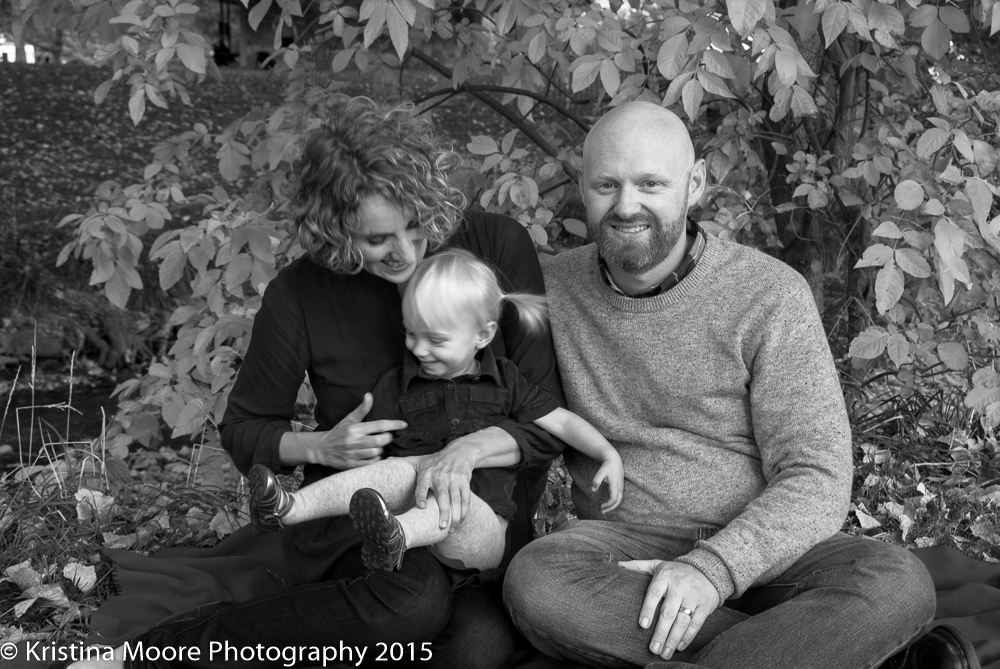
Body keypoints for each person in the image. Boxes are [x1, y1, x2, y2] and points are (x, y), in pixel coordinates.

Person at [71, 97, 565, 669]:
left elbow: (548, 420)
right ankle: (156, 653)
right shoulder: (299, 293)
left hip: (478, 521)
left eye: (415, 225)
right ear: (336, 229)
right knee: (414, 602)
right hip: (359, 517)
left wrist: (465, 453)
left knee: (478, 651)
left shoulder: (496, 247)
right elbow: (245, 428)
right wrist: (318, 446)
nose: (406, 252)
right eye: (377, 240)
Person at [502, 101, 943, 669]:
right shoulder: (550, 292)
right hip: (624, 555)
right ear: (583, 186)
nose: (626, 205)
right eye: (606, 185)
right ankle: (814, 651)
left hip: (768, 547)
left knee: (896, 581)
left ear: (695, 185)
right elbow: (495, 390)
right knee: (537, 581)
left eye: (651, 183)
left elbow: (819, 473)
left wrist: (712, 570)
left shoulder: (767, 294)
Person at [248, 249, 623, 574]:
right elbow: (372, 462)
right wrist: (340, 446)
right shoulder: (396, 386)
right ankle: (288, 508)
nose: (419, 349)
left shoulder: (506, 382)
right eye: (411, 333)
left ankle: (397, 536)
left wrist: (607, 453)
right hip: (414, 509)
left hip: (480, 529)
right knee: (406, 468)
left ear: (482, 335)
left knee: (449, 489)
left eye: (436, 340)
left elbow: (561, 422)